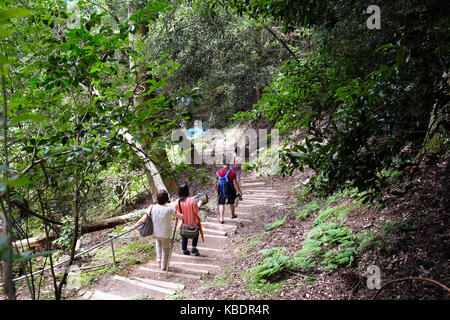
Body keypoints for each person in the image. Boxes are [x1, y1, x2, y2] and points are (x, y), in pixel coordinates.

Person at [132, 189, 184, 270]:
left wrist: (135, 225)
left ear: (157, 198)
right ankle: (164, 267)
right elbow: (181, 217)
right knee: (165, 249)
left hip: (155, 233)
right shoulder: (170, 209)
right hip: (166, 234)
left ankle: (159, 259)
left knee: (158, 242)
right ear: (167, 198)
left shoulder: (152, 208)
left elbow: (143, 219)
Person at [174, 184, 203, 256]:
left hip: (183, 223)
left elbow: (175, 212)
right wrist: (199, 204)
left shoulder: (178, 201)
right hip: (193, 221)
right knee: (195, 235)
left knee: (184, 235)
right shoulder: (192, 200)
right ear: (187, 190)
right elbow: (196, 211)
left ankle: (184, 250)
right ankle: (193, 248)